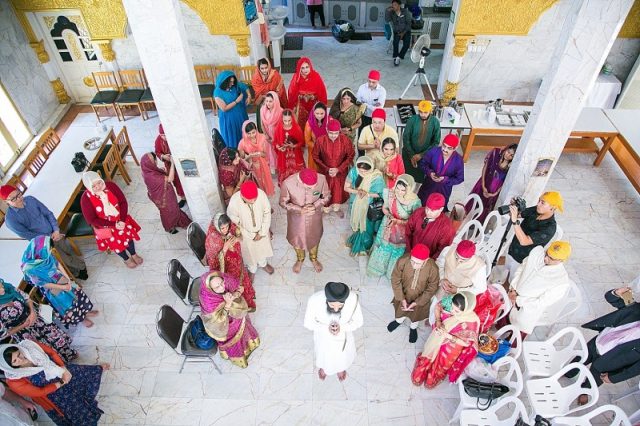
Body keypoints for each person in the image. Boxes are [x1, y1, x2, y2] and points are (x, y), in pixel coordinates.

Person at [0, 340, 108, 426]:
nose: (20, 358)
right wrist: (60, 383)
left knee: (81, 373)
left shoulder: (29, 347)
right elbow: (38, 392)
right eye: (15, 361)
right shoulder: (15, 380)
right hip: (53, 393)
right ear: (9, 367)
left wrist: (63, 369)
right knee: (75, 409)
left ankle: (98, 369)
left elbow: (51, 353)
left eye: (18, 354)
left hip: (60, 373)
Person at [1, 186, 87, 281]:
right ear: (6, 202)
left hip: (55, 231)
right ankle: (78, 271)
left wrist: (56, 230)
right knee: (63, 259)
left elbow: (48, 214)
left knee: (67, 249)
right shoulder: (10, 220)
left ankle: (80, 265)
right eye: (14, 199)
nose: (19, 199)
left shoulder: (30, 199)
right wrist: (49, 238)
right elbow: (28, 235)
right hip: (44, 242)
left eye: (19, 194)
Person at [568, 302, 640, 405]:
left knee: (594, 379)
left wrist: (613, 378)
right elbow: (612, 298)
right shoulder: (636, 309)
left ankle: (584, 391)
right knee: (580, 359)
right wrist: (615, 293)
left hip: (610, 362)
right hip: (598, 342)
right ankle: (568, 372)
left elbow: (636, 369)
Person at [21, 235, 98, 328]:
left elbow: (57, 264)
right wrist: (63, 287)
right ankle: (82, 319)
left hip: (60, 279)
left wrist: (67, 277)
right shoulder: (30, 269)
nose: (50, 252)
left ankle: (85, 311)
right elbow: (44, 284)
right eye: (49, 250)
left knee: (78, 295)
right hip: (53, 289)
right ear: (40, 252)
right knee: (69, 305)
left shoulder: (45, 254)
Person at [500, 242, 572, 341]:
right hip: (513, 295)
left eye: (551, 258)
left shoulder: (561, 282)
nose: (546, 258)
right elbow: (521, 268)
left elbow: (541, 302)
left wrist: (518, 300)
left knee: (514, 338)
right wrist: (513, 289)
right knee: (503, 322)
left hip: (526, 310)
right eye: (547, 254)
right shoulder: (537, 253)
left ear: (561, 260)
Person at [411, 292, 480, 388]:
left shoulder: (471, 321)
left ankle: (432, 378)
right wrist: (438, 321)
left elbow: (466, 343)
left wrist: (448, 336)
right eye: (452, 307)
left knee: (441, 364)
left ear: (466, 310)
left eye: (457, 311)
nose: (452, 310)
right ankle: (421, 373)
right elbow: (438, 306)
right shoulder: (451, 301)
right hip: (439, 335)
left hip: (452, 347)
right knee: (429, 354)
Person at [0, 279, 76, 362]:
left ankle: (69, 354)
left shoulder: (8, 287)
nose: (2, 286)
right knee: (44, 349)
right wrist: (24, 325)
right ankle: (61, 365)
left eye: (1, 284)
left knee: (55, 337)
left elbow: (26, 298)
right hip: (24, 332)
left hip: (35, 318)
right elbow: (3, 334)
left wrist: (32, 312)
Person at [80, 172, 142, 268]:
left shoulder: (110, 186)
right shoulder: (85, 199)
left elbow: (122, 202)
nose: (98, 187)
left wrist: (122, 220)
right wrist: (114, 224)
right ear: (88, 186)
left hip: (121, 220)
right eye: (94, 186)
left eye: (99, 183)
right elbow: (92, 219)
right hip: (107, 227)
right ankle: (126, 259)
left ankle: (133, 254)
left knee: (128, 239)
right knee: (116, 246)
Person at [304, 282, 363, 381]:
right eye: (332, 305)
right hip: (323, 337)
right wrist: (325, 328)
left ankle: (341, 368)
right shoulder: (314, 300)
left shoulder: (353, 299)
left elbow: (359, 321)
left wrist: (342, 328)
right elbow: (308, 323)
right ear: (326, 300)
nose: (336, 309)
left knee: (342, 356)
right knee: (325, 355)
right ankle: (324, 368)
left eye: (340, 306)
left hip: (344, 337)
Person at [199, 272, 260, 368]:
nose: (222, 287)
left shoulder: (223, 282)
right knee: (236, 340)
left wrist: (237, 292)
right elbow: (218, 321)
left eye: (221, 283)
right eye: (217, 287)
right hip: (226, 326)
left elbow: (234, 285)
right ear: (210, 289)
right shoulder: (209, 302)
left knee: (244, 327)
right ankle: (239, 357)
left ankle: (250, 343)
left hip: (236, 313)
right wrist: (228, 303)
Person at [367, 175, 421, 279]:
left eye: (403, 190)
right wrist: (390, 216)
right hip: (388, 224)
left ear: (409, 189)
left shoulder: (414, 201)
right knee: (383, 247)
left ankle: (391, 272)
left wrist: (399, 221)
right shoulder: (390, 194)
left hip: (402, 231)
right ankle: (377, 268)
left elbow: (414, 220)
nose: (399, 192)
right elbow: (385, 208)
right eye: (397, 188)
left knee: (396, 251)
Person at [280, 168, 330, 273]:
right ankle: (300, 259)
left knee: (315, 238)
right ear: (301, 182)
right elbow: (283, 203)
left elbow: (326, 196)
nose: (312, 189)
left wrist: (315, 205)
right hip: (296, 219)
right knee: (297, 240)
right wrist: (299, 209)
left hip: (314, 217)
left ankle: (314, 259)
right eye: (309, 187)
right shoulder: (288, 183)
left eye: (314, 187)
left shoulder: (321, 178)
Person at [388, 244, 439, 343]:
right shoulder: (403, 260)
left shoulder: (433, 268)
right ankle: (398, 321)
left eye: (418, 263)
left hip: (420, 298)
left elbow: (432, 287)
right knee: (401, 310)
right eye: (412, 261)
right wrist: (401, 298)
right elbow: (395, 279)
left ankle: (413, 328)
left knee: (416, 315)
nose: (414, 265)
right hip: (403, 293)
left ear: (426, 260)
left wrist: (417, 302)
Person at [205, 213, 256, 311]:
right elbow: (213, 261)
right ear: (217, 227)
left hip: (237, 261)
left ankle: (248, 299)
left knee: (242, 278)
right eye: (222, 228)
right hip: (227, 268)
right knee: (235, 285)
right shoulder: (213, 238)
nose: (225, 230)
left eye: (226, 227)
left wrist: (237, 238)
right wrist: (224, 248)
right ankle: (239, 305)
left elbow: (240, 236)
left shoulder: (230, 226)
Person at [505, 191, 561, 279]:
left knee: (513, 280)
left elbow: (524, 241)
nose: (538, 204)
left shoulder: (550, 228)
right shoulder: (536, 210)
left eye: (542, 203)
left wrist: (515, 221)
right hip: (513, 248)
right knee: (508, 273)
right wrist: (513, 207)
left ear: (552, 207)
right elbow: (518, 215)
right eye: (539, 201)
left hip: (523, 259)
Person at [226, 181, 275, 277]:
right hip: (246, 235)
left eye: (255, 198)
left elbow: (267, 213)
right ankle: (252, 269)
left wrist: (262, 232)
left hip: (262, 231)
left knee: (262, 249)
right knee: (249, 253)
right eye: (250, 199)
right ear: (242, 196)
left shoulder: (261, 194)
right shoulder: (235, 201)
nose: (253, 201)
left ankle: (263, 263)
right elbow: (235, 223)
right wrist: (251, 235)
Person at [312, 118, 356, 218]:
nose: (333, 135)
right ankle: (325, 209)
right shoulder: (320, 140)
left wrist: (339, 169)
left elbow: (351, 155)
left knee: (338, 191)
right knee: (325, 190)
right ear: (327, 130)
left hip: (340, 172)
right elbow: (315, 155)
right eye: (331, 133)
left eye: (336, 133)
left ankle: (336, 208)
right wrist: (326, 168)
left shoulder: (345, 140)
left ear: (339, 131)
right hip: (325, 171)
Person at [140, 152, 192, 234]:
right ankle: (173, 226)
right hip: (165, 197)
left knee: (165, 212)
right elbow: (170, 178)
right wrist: (172, 164)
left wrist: (161, 170)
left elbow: (156, 173)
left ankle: (171, 226)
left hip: (157, 196)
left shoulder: (146, 171)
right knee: (172, 210)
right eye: (154, 161)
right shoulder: (154, 177)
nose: (156, 162)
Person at [345, 156, 385, 256]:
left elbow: (380, 194)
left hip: (369, 204)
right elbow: (346, 188)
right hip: (355, 202)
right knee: (357, 223)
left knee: (367, 226)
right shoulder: (354, 171)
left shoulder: (377, 177)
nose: (362, 173)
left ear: (370, 168)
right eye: (360, 170)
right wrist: (357, 191)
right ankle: (357, 239)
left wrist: (367, 194)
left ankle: (365, 245)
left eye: (365, 171)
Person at [466, 144, 517, 223]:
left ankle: (476, 223)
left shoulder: (511, 167)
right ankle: (466, 218)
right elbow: (485, 168)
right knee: (474, 201)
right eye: (508, 152)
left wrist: (494, 194)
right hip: (483, 183)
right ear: (506, 149)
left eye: (511, 155)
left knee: (484, 207)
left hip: (494, 191)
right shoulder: (495, 153)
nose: (508, 155)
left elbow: (505, 182)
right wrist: (483, 185)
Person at [417, 134, 464, 211]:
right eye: (444, 146)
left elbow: (460, 178)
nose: (445, 150)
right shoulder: (433, 151)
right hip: (429, 185)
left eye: (449, 148)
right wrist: (430, 173)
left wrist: (445, 179)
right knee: (422, 204)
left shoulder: (458, 161)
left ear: (455, 148)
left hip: (444, 190)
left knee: (438, 209)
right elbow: (423, 164)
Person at [405, 193, 455, 259]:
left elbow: (442, 250)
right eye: (427, 208)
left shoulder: (447, 228)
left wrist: (428, 261)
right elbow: (408, 231)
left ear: (441, 209)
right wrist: (409, 250)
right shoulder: (418, 212)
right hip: (411, 252)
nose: (428, 212)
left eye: (432, 210)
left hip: (427, 259)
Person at [402, 100, 441, 184]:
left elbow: (436, 142)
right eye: (420, 112)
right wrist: (412, 155)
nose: (423, 115)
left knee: (420, 178)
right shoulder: (412, 120)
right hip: (409, 153)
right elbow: (406, 138)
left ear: (430, 111)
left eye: (425, 112)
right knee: (407, 176)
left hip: (425, 155)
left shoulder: (435, 122)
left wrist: (421, 155)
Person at [214, 70, 251, 149]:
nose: (232, 83)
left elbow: (244, 86)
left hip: (241, 116)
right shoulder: (218, 92)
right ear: (224, 82)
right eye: (230, 82)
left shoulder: (234, 85)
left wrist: (249, 95)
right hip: (229, 120)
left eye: (233, 81)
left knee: (243, 132)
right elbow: (224, 108)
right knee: (233, 136)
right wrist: (236, 101)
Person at [288, 57, 328, 129]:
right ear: (299, 69)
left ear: (310, 66)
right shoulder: (297, 78)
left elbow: (322, 92)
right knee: (301, 126)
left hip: (313, 106)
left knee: (313, 125)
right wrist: (299, 98)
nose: (305, 70)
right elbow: (292, 94)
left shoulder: (316, 76)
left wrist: (314, 98)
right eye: (302, 68)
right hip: (301, 107)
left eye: (307, 67)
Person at [238, 121, 275, 197]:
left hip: (263, 163)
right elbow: (242, 157)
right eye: (248, 133)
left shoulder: (262, 138)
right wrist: (249, 157)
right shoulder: (242, 143)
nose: (251, 135)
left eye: (253, 132)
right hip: (252, 165)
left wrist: (259, 154)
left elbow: (265, 154)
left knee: (265, 180)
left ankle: (266, 193)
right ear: (245, 133)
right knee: (257, 182)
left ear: (256, 130)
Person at [154, 124, 186, 208]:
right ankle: (183, 198)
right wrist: (164, 156)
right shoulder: (158, 140)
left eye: (165, 135)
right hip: (170, 165)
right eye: (162, 135)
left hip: (180, 162)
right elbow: (157, 152)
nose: (164, 137)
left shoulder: (173, 136)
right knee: (177, 182)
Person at [273, 109, 305, 186]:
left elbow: (302, 143)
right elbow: (275, 142)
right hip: (283, 155)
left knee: (296, 176)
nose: (287, 123)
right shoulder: (278, 128)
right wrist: (278, 147)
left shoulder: (297, 129)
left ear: (292, 119)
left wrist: (293, 146)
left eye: (289, 120)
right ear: (282, 119)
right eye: (285, 121)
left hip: (294, 156)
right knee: (285, 175)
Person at [257, 91, 284, 173]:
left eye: (270, 101)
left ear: (275, 101)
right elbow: (262, 124)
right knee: (270, 151)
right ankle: (272, 168)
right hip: (268, 134)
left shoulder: (280, 111)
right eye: (267, 101)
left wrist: (275, 138)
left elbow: (281, 126)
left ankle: (279, 167)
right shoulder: (263, 110)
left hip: (277, 135)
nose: (268, 103)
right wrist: (266, 136)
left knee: (277, 151)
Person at [385, 0, 412, 66]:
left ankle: (399, 57)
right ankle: (395, 57)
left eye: (395, 5)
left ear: (399, 5)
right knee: (395, 42)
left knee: (406, 44)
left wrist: (403, 33)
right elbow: (387, 20)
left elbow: (409, 24)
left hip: (406, 31)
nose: (393, 6)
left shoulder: (406, 12)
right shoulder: (392, 13)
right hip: (397, 31)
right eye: (392, 5)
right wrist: (387, 11)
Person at [304, 102, 329, 170]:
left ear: (325, 113)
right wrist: (319, 147)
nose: (319, 116)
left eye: (322, 113)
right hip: (314, 151)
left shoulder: (329, 121)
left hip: (327, 150)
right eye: (317, 113)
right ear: (313, 113)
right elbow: (307, 141)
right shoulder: (309, 124)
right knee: (314, 169)